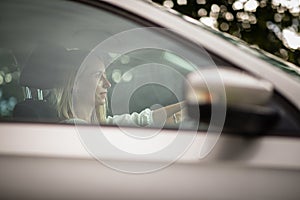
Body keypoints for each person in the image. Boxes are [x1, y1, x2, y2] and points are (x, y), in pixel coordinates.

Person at [52, 53, 184, 127]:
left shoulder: (98, 125)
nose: (108, 84)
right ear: (75, 83)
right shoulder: (75, 128)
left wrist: (186, 106)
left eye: (105, 76)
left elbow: (144, 119)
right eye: (97, 76)